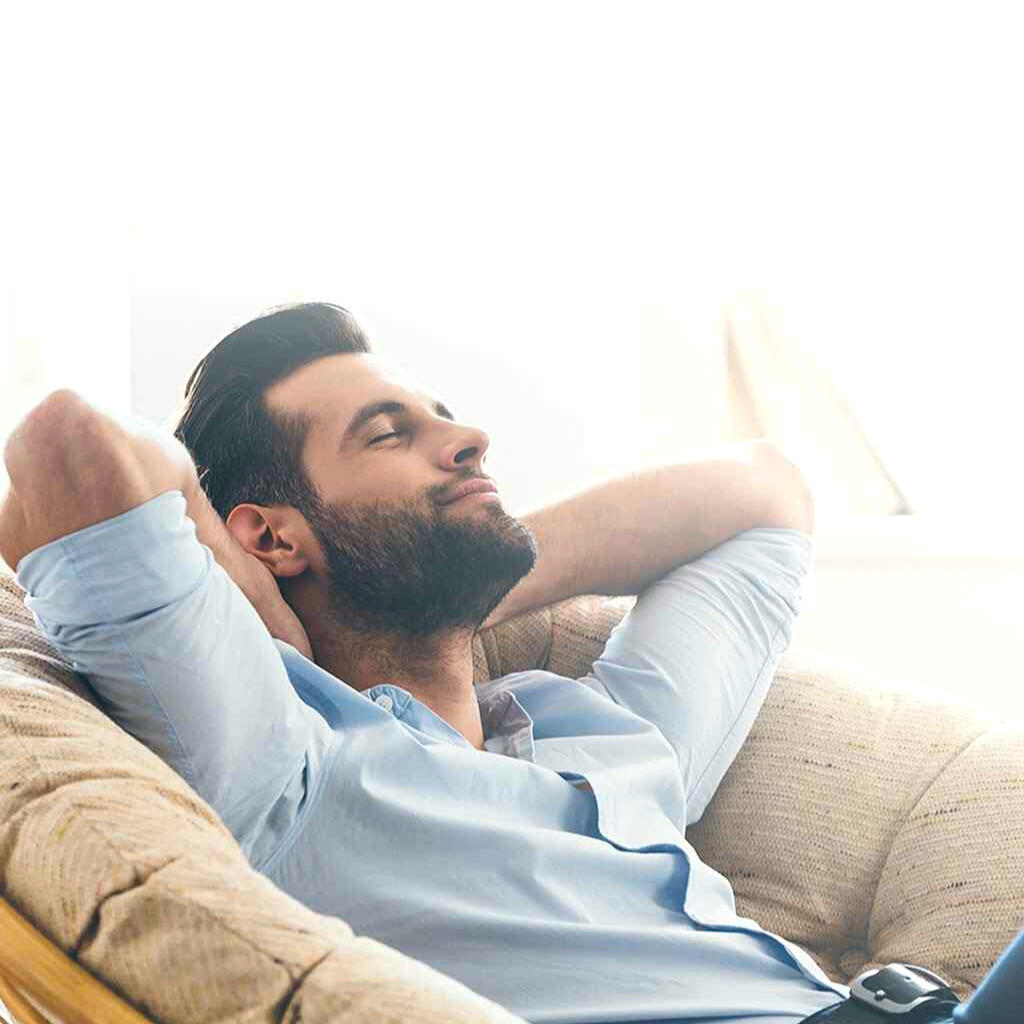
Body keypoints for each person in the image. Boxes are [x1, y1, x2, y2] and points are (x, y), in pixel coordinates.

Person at [1, 303, 1015, 1024]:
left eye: (443, 415)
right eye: (390, 433)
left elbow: (765, 490)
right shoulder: (288, 761)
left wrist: (454, 582)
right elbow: (68, 444)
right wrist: (271, 619)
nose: (470, 438)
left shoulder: (608, 732)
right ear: (270, 536)